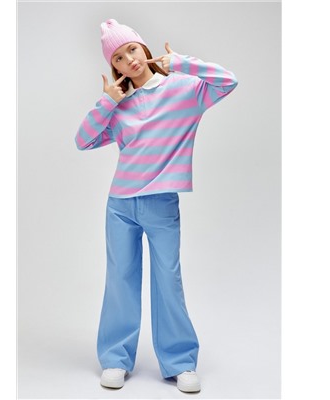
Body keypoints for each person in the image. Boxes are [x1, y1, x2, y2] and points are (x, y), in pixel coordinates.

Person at [75, 18, 238, 393]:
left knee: (168, 281)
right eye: (117, 58)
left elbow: (228, 81)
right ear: (114, 67)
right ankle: (115, 358)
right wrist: (108, 101)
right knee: (120, 281)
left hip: (161, 204)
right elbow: (83, 140)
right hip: (120, 205)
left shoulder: (183, 90)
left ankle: (180, 362)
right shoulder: (120, 106)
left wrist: (181, 62)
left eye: (131, 49)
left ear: (143, 48)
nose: (128, 60)